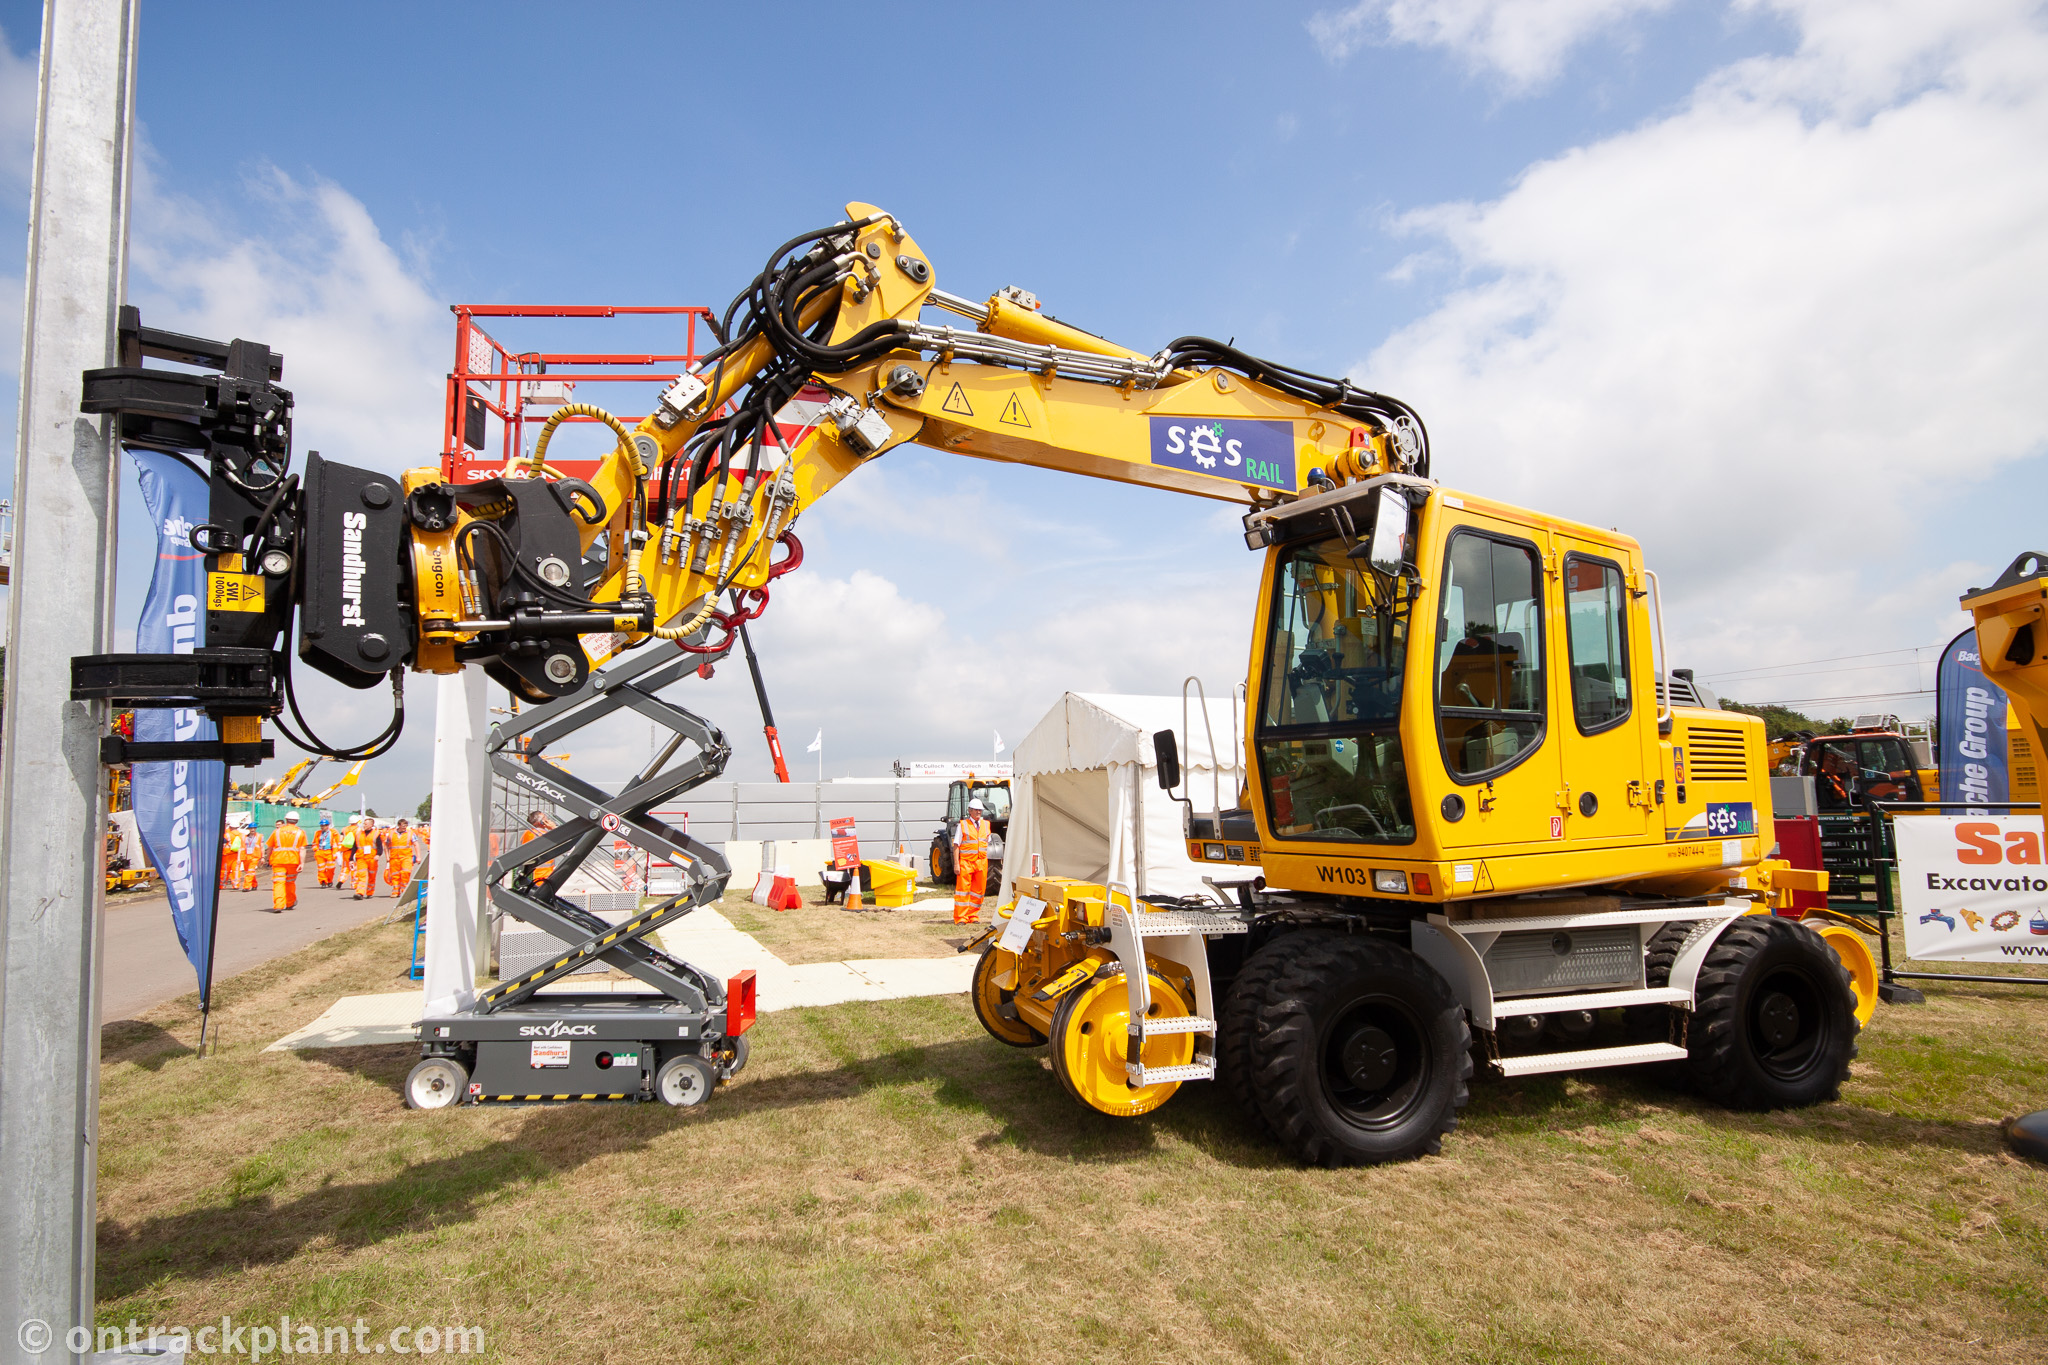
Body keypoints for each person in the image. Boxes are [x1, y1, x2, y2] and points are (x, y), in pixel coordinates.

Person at [952, 797, 991, 925]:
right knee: (963, 890)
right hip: (966, 862)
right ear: (970, 811)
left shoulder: (986, 825)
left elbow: (986, 843)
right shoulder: (962, 825)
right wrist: (956, 864)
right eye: (975, 810)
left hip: (981, 862)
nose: (978, 812)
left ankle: (972, 914)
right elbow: (956, 845)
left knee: (978, 890)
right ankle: (961, 917)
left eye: (980, 810)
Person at [265, 811, 309, 911]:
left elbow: (270, 847)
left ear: (286, 819)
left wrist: (268, 859)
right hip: (293, 861)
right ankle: (290, 903)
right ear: (297, 821)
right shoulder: (300, 832)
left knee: (278, 883)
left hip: (278, 860)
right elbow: (302, 849)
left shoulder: (277, 831)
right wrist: (302, 863)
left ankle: (278, 905)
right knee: (290, 882)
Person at [385, 817, 419, 899]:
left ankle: (404, 890)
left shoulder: (410, 833)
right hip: (394, 857)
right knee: (395, 875)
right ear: (399, 825)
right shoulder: (391, 834)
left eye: (406, 825)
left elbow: (416, 844)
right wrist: (387, 856)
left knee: (405, 873)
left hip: (406, 857)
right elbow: (386, 845)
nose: (404, 827)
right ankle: (396, 890)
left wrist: (418, 857)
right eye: (403, 825)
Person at [520, 810, 557, 884]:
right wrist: (554, 828)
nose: (548, 819)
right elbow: (563, 840)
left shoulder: (527, 833)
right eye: (545, 818)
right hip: (541, 877)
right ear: (542, 822)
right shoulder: (540, 834)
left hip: (536, 875)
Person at [353, 817, 380, 899]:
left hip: (372, 858)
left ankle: (370, 892)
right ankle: (360, 893)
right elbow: (354, 847)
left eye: (366, 824)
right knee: (361, 875)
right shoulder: (358, 834)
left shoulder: (376, 834)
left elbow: (380, 846)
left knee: (372, 876)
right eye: (364, 824)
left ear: (371, 825)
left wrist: (378, 854)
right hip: (361, 858)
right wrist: (351, 858)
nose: (364, 825)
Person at [312, 814, 338, 887]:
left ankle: (329, 880)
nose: (322, 827)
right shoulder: (317, 833)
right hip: (320, 852)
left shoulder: (333, 832)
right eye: (321, 826)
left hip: (329, 851)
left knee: (330, 868)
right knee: (321, 868)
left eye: (323, 826)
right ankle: (323, 881)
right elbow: (314, 843)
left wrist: (335, 853)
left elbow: (337, 843)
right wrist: (316, 850)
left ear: (327, 826)